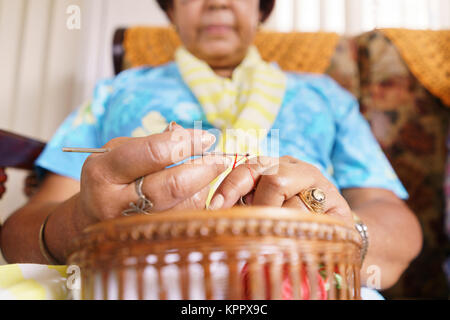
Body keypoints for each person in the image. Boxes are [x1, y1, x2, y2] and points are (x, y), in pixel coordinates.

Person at [1, 0, 422, 296]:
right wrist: (80, 222)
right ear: (171, 10)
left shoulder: (324, 96)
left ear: (260, 8)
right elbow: (21, 233)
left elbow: (397, 226)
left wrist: (340, 235)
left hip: (299, 284)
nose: (218, 2)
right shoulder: (118, 92)